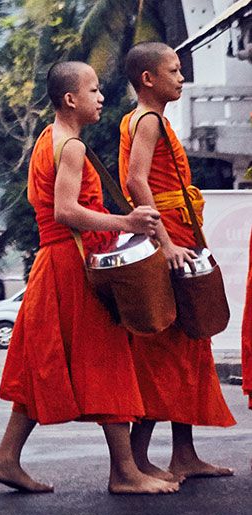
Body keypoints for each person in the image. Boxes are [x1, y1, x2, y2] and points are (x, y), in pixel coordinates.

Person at [0, 62, 176, 495]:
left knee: (45, 362)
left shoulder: (48, 140)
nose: (101, 97)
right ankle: (124, 473)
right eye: (93, 90)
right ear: (70, 99)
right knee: (107, 359)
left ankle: (5, 458)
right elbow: (65, 212)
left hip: (55, 264)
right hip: (71, 264)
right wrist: (126, 221)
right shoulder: (68, 146)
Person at [118, 42, 236, 480]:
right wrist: (165, 242)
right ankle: (136, 457)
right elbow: (136, 181)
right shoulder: (148, 119)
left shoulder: (148, 118)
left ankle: (183, 452)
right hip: (168, 238)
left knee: (191, 341)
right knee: (164, 349)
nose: (181, 77)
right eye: (173, 70)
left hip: (181, 233)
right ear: (149, 78)